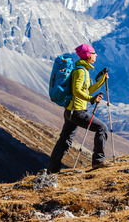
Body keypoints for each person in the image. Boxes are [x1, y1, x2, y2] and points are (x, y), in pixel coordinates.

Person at [47, 43, 110, 173]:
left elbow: (86, 90)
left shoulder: (82, 69)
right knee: (102, 128)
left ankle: (52, 170)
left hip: (70, 111)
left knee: (65, 140)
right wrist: (91, 99)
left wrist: (101, 81)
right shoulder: (81, 71)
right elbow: (76, 91)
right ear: (88, 56)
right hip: (77, 111)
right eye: (93, 53)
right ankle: (98, 161)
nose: (96, 55)